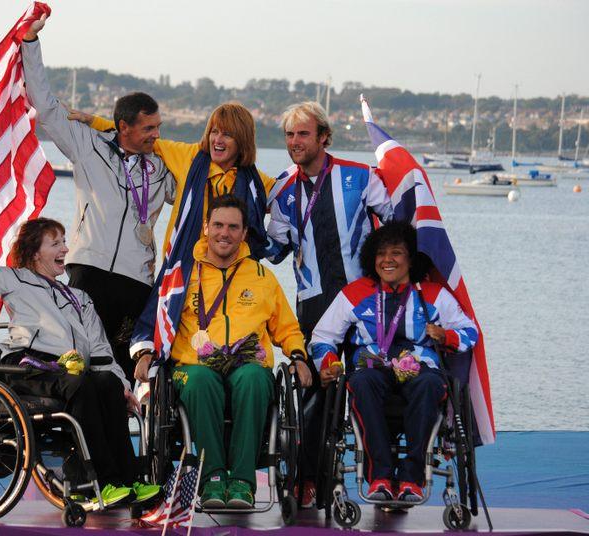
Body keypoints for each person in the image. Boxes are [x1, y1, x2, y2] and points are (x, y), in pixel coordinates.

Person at [0, 213, 160, 506]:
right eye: (56, 243)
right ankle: (101, 482)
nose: (65, 249)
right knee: (82, 386)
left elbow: (102, 351)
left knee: (106, 385)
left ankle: (128, 480)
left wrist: (123, 387)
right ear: (34, 252)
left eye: (65, 242)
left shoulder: (80, 298)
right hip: (30, 367)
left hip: (71, 372)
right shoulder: (14, 279)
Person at [20, 14, 176, 384]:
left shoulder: (163, 166)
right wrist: (30, 44)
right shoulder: (89, 146)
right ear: (123, 127)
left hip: (136, 281)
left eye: (159, 127)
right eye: (148, 128)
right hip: (89, 271)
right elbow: (44, 105)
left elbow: (193, 188)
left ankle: (116, 438)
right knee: (77, 362)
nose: (156, 135)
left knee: (123, 371)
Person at [132, 195, 312, 509]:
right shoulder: (182, 274)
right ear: (205, 227)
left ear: (244, 234)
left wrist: (297, 357)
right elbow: (153, 317)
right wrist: (145, 353)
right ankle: (213, 478)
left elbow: (287, 328)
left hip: (247, 364)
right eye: (217, 225)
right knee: (201, 380)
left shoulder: (262, 277)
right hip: (194, 366)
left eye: (232, 227)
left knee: (256, 379)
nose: (224, 233)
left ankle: (242, 482)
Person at [264, 101, 393, 506]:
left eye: (303, 134)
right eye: (289, 135)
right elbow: (276, 250)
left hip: (364, 302)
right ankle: (308, 479)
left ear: (323, 136)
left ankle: (381, 478)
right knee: (314, 395)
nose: (294, 142)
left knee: (370, 384)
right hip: (314, 303)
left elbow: (394, 226)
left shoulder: (360, 176)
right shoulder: (282, 188)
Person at [309, 222, 478, 503]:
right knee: (361, 381)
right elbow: (322, 337)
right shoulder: (355, 293)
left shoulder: (433, 294)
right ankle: (381, 477)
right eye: (381, 253)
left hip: (420, 369)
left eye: (397, 253)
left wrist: (445, 335)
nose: (387, 260)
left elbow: (470, 332)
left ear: (411, 258)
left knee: (429, 384)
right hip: (372, 367)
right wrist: (329, 362)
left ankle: (412, 479)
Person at [72, 101, 274, 259]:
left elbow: (289, 198)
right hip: (182, 269)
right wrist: (93, 121)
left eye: (227, 134)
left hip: (228, 273)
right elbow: (135, 136)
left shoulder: (255, 183)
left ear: (243, 140)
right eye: (214, 131)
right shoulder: (189, 156)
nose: (218, 140)